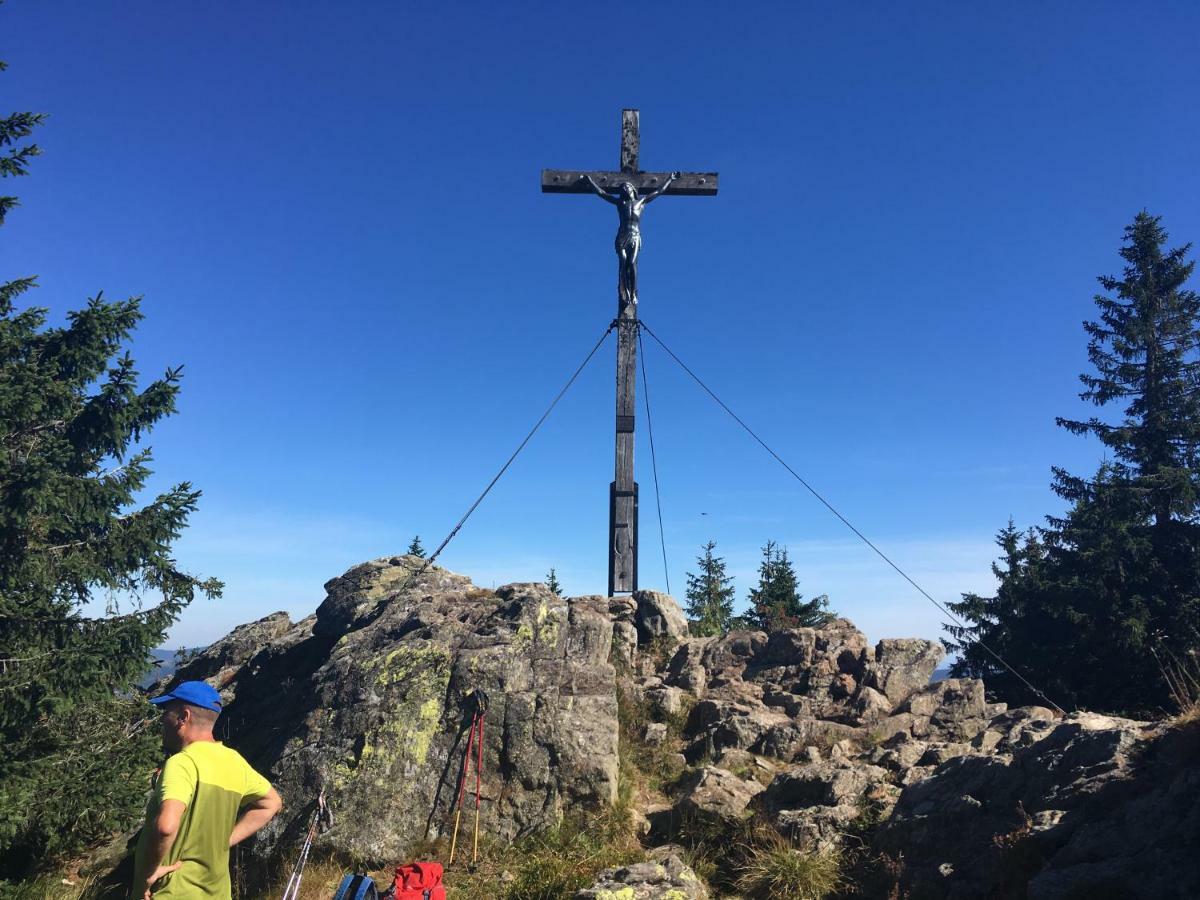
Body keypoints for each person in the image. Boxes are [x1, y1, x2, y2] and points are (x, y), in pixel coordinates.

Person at [131, 681, 283, 900]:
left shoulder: (183, 763)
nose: (163, 720)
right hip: (217, 892)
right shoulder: (235, 762)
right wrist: (224, 841)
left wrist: (148, 874)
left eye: (167, 712)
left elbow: (166, 826)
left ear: (184, 717)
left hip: (173, 892)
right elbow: (272, 803)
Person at [580, 171, 680, 308]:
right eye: (622, 188)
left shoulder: (641, 202)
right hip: (622, 236)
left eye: (627, 187)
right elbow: (602, 193)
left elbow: (658, 191)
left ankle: (633, 293)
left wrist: (670, 179)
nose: (624, 189)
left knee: (631, 263)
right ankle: (626, 292)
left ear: (633, 190)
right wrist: (590, 182)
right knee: (623, 263)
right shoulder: (620, 203)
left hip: (635, 236)